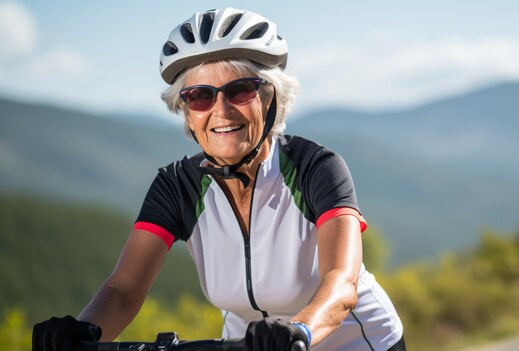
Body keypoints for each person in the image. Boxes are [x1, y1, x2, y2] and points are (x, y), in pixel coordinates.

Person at [32, 7, 404, 351]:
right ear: (186, 112)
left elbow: (342, 280)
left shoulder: (314, 167)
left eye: (240, 90)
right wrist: (82, 332)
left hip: (356, 342)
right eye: (199, 97)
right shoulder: (178, 186)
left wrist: (300, 330)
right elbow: (124, 290)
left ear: (271, 98)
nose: (221, 111)